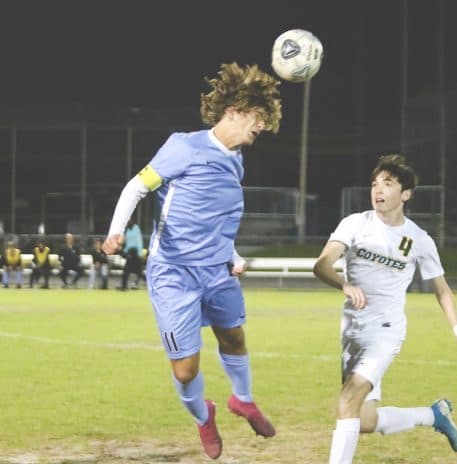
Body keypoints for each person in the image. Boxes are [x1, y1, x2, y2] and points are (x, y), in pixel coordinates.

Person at [103, 63, 282, 459]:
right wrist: (117, 230)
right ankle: (204, 417)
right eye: (258, 118)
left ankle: (244, 399)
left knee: (234, 337)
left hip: (217, 271)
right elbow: (137, 186)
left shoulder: (236, 158)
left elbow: (215, 216)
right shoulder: (183, 146)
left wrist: (232, 255)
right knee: (185, 370)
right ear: (234, 110)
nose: (262, 127)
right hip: (174, 275)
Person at [313, 154, 457, 464]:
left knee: (347, 401)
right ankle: (433, 416)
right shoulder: (355, 223)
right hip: (352, 331)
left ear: (405, 194)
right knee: (362, 419)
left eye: (387, 184)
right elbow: (322, 264)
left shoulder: (418, 239)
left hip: (386, 332)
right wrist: (344, 285)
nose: (378, 190)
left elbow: (441, 289)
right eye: (375, 184)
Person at [118, 219, 144, 290]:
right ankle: (124, 286)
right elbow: (127, 243)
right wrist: (125, 251)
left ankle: (125, 286)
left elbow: (139, 241)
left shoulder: (136, 229)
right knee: (127, 270)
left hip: (135, 252)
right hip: (129, 252)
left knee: (138, 271)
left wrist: (139, 253)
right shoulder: (127, 231)